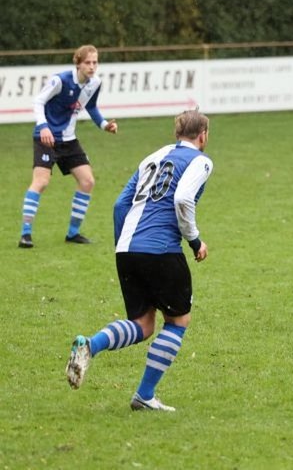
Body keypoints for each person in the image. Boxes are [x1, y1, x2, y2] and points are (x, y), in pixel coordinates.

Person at [66, 109, 214, 411]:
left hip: (127, 248)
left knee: (143, 324)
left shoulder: (153, 157)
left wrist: (124, 246)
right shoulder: (201, 160)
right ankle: (144, 395)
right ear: (203, 136)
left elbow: (120, 204)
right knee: (178, 321)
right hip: (161, 249)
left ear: (177, 133)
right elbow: (182, 199)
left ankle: (90, 345)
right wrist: (195, 240)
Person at [18, 44, 118, 248]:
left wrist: (104, 125)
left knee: (87, 181)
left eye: (95, 62)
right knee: (41, 182)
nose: (92, 66)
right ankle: (25, 234)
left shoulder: (95, 83)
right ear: (78, 64)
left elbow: (91, 106)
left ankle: (73, 234)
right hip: (46, 138)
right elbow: (38, 102)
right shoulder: (60, 80)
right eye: (88, 62)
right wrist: (43, 127)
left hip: (69, 140)